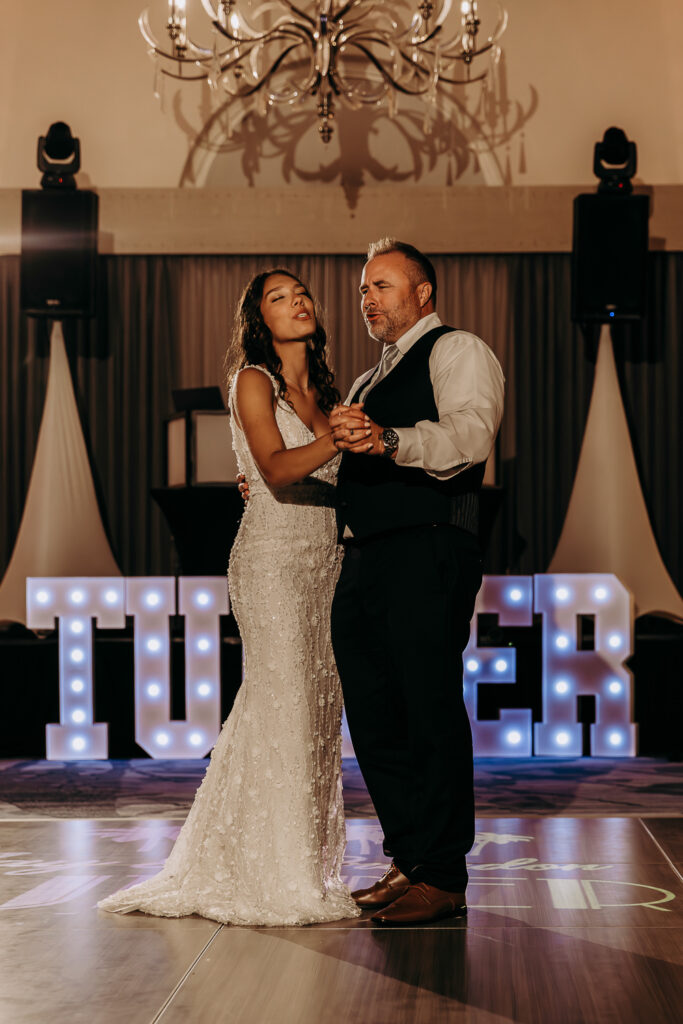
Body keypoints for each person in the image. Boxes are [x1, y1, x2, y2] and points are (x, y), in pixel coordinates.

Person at [98, 268, 363, 926]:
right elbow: (273, 468)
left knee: (314, 713)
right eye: (279, 298)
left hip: (323, 559)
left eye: (301, 293)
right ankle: (273, 877)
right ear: (258, 320)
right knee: (286, 702)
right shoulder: (254, 380)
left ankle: (300, 864)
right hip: (271, 560)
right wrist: (342, 436)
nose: (297, 301)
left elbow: (336, 476)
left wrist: (349, 443)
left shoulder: (328, 392)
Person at [329, 238, 504, 925]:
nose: (368, 299)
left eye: (382, 286)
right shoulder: (368, 378)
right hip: (366, 556)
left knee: (425, 709)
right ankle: (408, 859)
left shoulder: (457, 350)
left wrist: (391, 440)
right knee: (375, 716)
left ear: (423, 293)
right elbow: (356, 466)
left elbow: (469, 435)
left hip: (427, 547)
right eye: (363, 290)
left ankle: (442, 873)